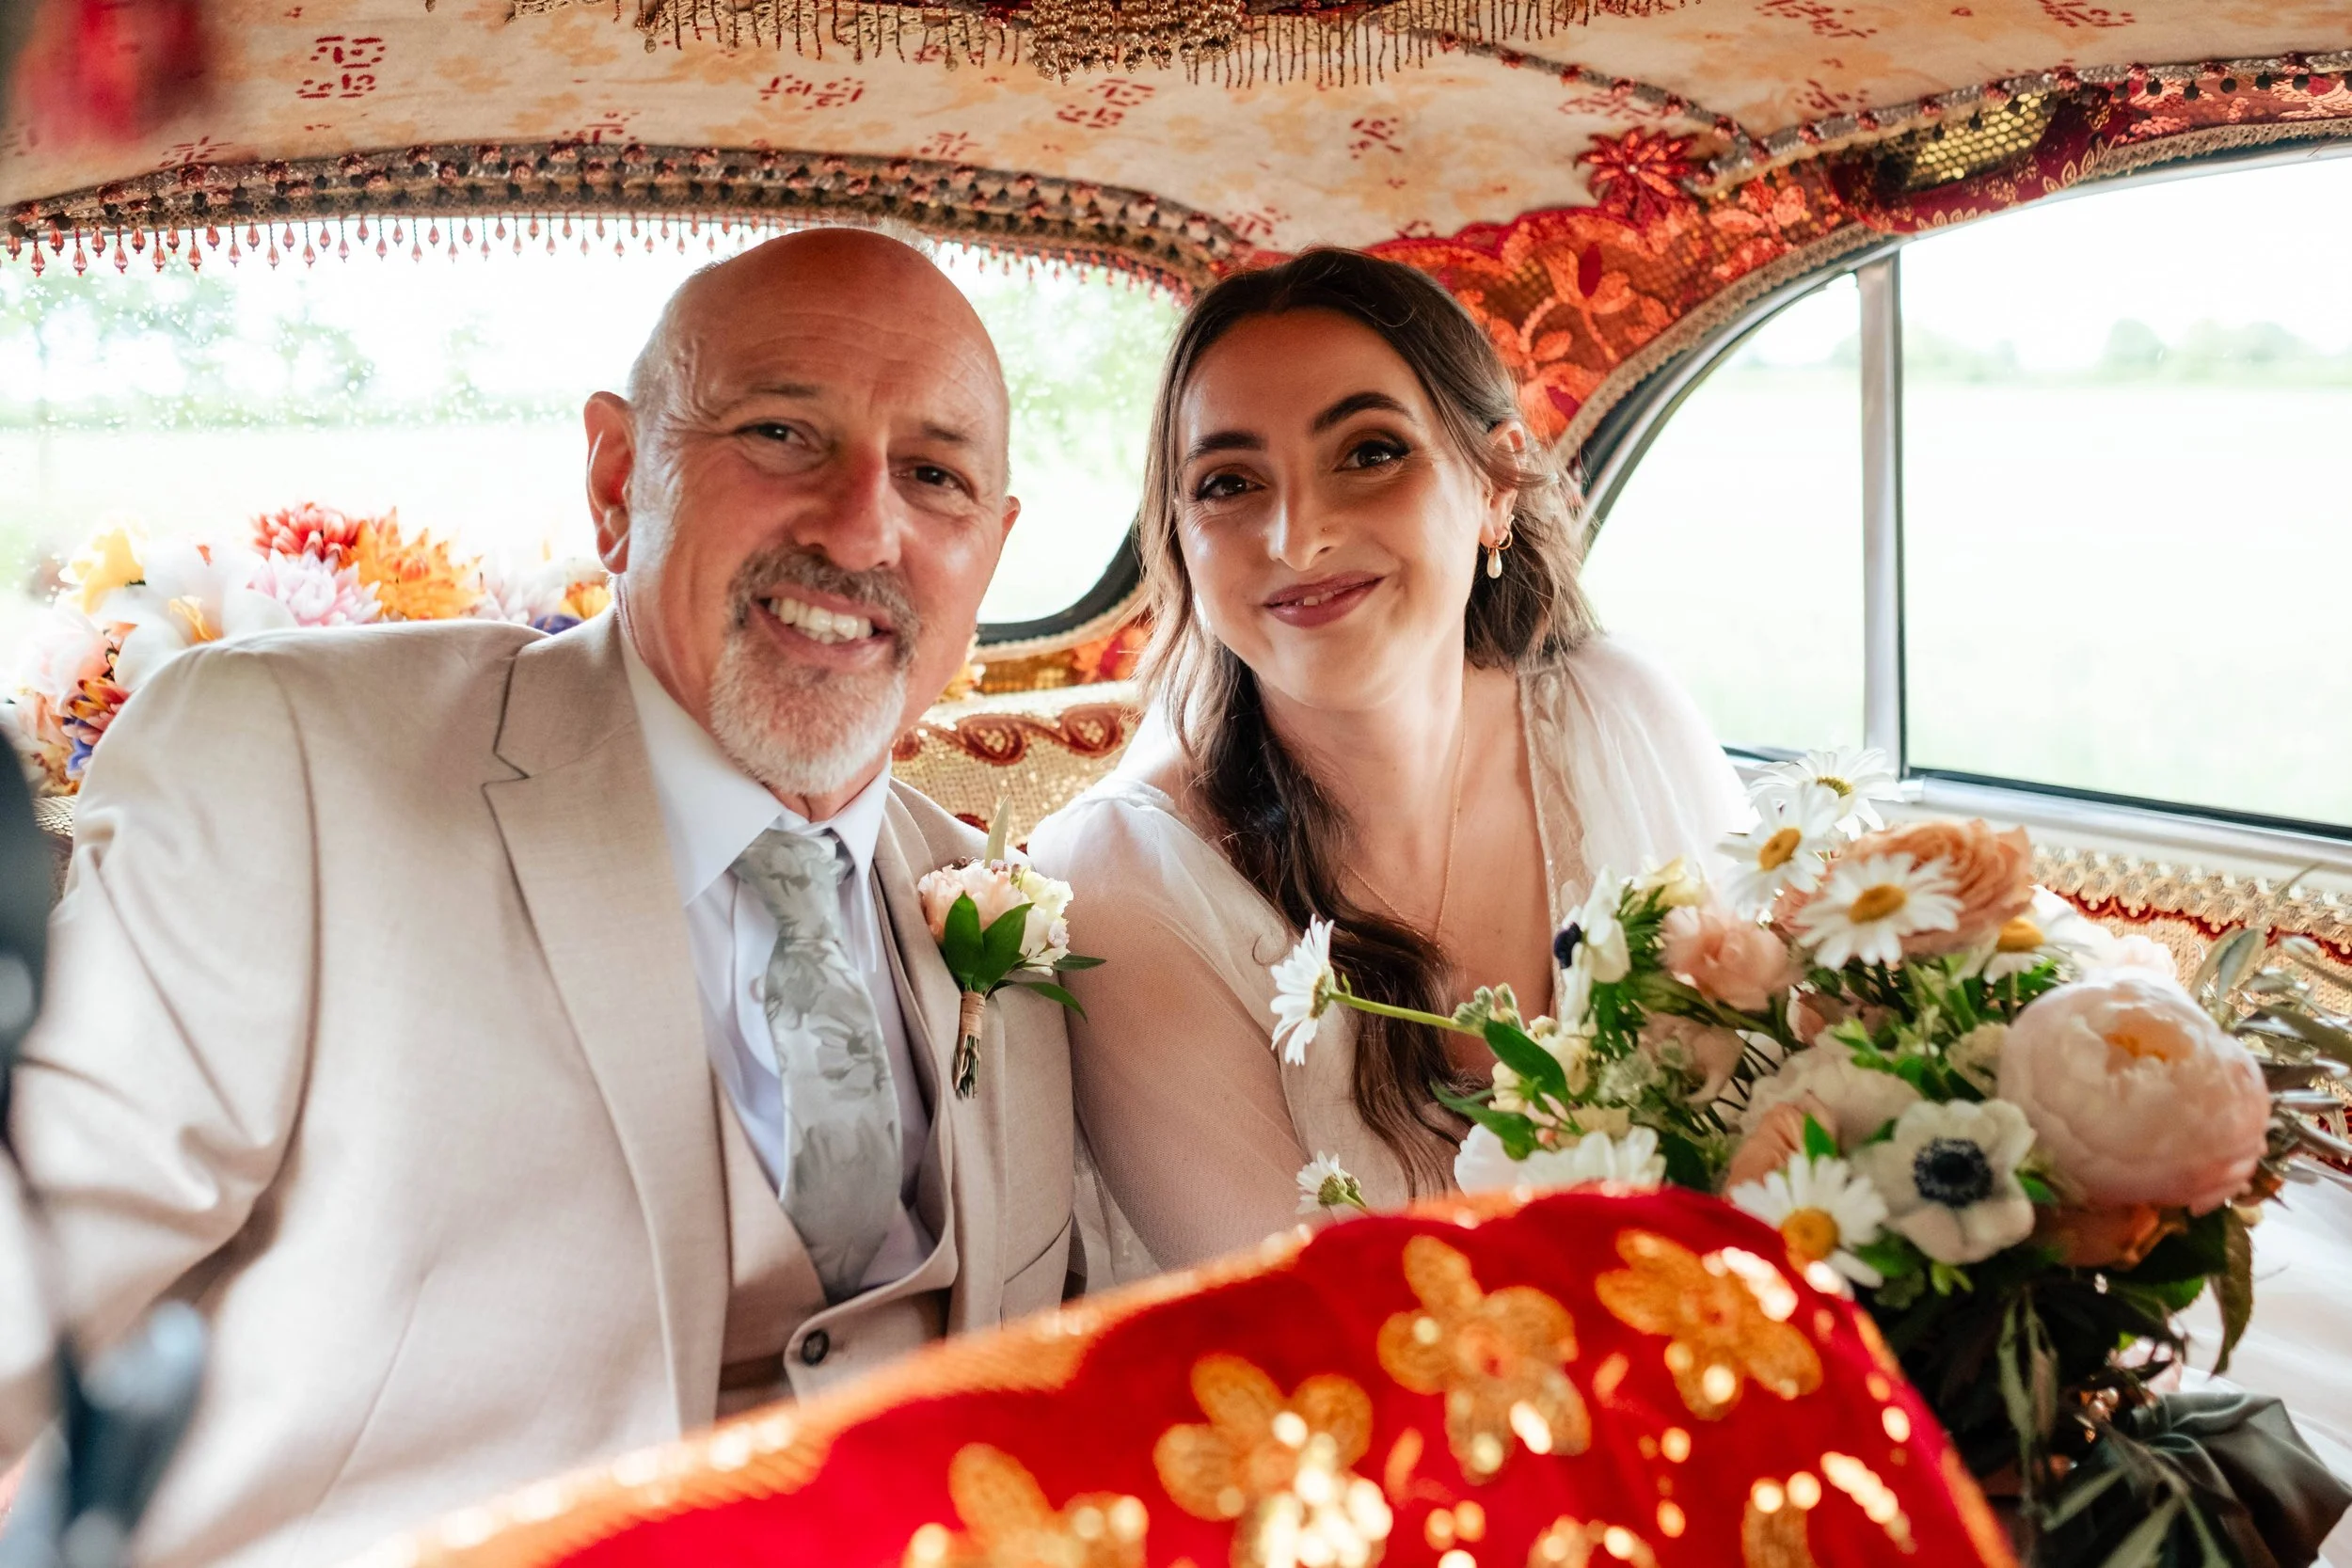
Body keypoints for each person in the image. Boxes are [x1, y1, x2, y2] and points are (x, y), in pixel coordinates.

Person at [0, 229, 1081, 1568]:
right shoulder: (295, 767)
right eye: (784, 433)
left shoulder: (999, 908)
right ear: (621, 479)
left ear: (992, 546)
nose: (866, 525)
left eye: (935, 474)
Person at [1028, 248, 1745, 1273]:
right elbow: (1303, 1324)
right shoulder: (1121, 876)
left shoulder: (1616, 715)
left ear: (1495, 485)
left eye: (1368, 452)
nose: (1297, 534)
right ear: (1181, 540)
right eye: (1228, 482)